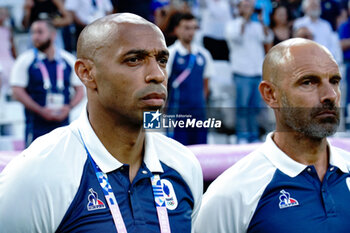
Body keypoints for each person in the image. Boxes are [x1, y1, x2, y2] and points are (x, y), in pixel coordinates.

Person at [0, 13, 203, 232]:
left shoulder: (183, 164)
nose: (158, 75)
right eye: (134, 59)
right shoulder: (35, 175)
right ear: (86, 73)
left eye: (162, 60)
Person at [194, 38, 350, 232]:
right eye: (308, 82)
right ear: (270, 94)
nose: (331, 95)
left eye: (334, 81)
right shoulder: (232, 193)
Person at [10, 19, 84, 147]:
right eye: (32, 33)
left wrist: (69, 107)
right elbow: (17, 91)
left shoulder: (68, 59)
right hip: (36, 125)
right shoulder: (25, 60)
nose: (35, 37)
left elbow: (80, 90)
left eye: (40, 32)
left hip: (63, 124)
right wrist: (40, 110)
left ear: (53, 34)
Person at [225, 0, 273, 144]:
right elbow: (236, 37)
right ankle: (242, 136)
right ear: (239, 8)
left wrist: (262, 21)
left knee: (255, 108)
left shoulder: (257, 26)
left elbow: (268, 37)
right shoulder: (232, 25)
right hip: (241, 71)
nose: (248, 10)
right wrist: (245, 19)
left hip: (256, 72)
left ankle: (253, 136)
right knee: (242, 107)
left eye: (250, 7)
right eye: (245, 7)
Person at [166, 12, 214, 145]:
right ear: (176, 29)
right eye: (187, 28)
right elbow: (163, 84)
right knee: (177, 152)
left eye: (194, 28)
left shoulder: (204, 55)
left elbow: (206, 85)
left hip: (198, 114)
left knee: (200, 151)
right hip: (177, 114)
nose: (191, 32)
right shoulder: (170, 53)